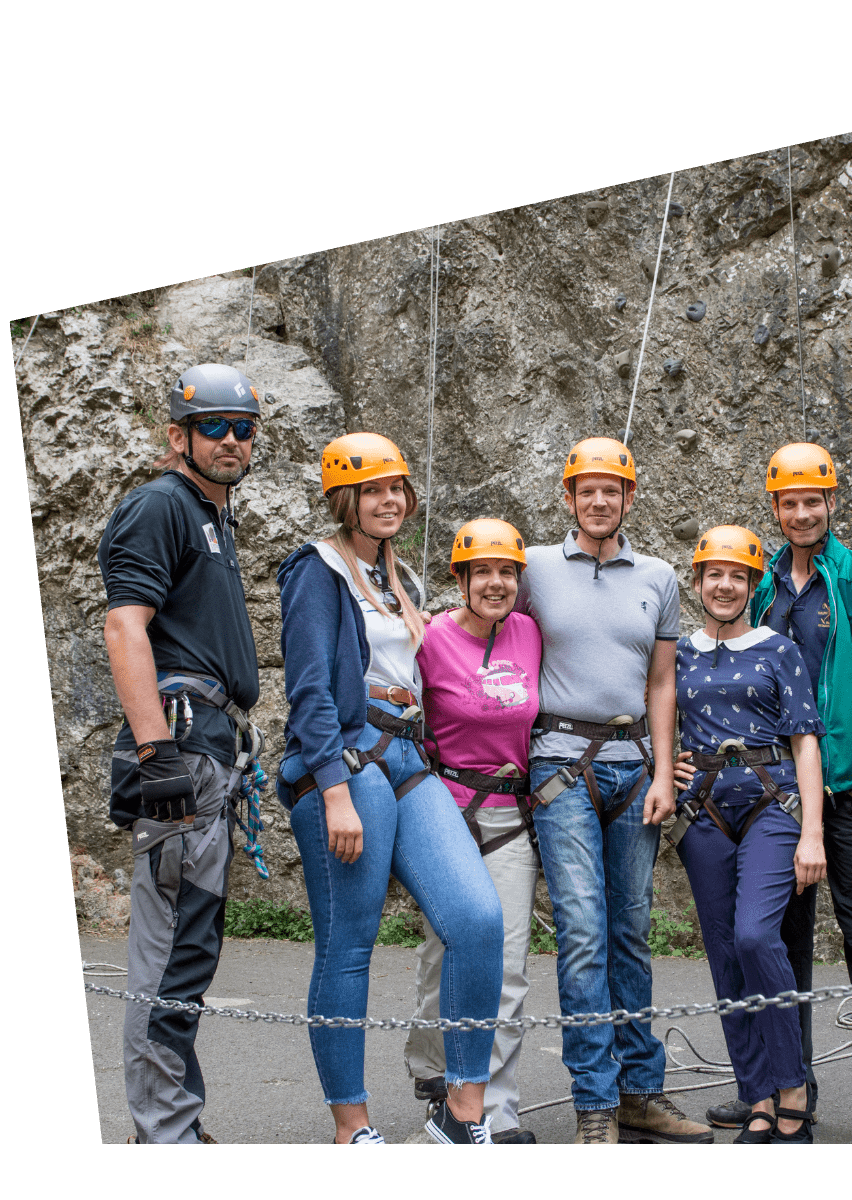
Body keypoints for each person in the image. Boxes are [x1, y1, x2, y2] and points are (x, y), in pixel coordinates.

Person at [275, 432, 504, 1146]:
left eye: (396, 489)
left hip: (407, 759)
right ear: (345, 498)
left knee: (476, 920)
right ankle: (353, 1126)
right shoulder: (317, 570)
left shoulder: (390, 573)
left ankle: (463, 1112)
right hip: (348, 763)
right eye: (373, 490)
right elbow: (310, 689)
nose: (389, 500)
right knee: (349, 945)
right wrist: (334, 789)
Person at [517, 436, 712, 1145]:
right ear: (568, 498)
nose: (600, 501)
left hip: (635, 766)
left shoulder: (658, 577)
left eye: (613, 490)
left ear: (630, 498)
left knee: (631, 932)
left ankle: (639, 1091)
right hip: (560, 762)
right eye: (586, 490)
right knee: (581, 932)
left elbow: (662, 684)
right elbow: (489, 628)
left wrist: (664, 771)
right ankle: (594, 1101)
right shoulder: (534, 567)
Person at [729, 442, 852, 1144]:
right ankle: (788, 1087)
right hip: (776, 794)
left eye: (814, 500)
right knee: (782, 944)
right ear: (774, 507)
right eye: (789, 501)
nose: (802, 511)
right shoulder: (759, 585)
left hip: (851, 790)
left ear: (832, 502)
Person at [99, 363, 264, 1144]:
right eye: (215, 427)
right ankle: (162, 1136)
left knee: (190, 943)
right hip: (181, 746)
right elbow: (125, 627)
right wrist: (155, 751)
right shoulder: (161, 505)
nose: (232, 440)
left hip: (210, 746)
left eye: (244, 427)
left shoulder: (211, 516)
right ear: (179, 435)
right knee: (169, 947)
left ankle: (174, 1122)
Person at [669, 526, 827, 1144]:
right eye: (714, 575)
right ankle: (755, 1095)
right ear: (699, 581)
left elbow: (805, 741)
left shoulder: (779, 649)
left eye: (738, 575)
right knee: (724, 956)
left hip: (772, 801)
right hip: (703, 807)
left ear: (754, 583)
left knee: (756, 936)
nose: (725, 585)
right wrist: (668, 765)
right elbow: (654, 712)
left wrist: (811, 830)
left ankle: (792, 1088)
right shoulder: (678, 652)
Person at [405, 519, 543, 1144]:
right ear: (459, 578)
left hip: (510, 812)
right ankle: (434, 1077)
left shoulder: (530, 634)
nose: (495, 582)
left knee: (508, 963)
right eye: (481, 571)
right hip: (446, 807)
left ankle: (492, 1109)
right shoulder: (430, 638)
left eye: (506, 571)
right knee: (447, 952)